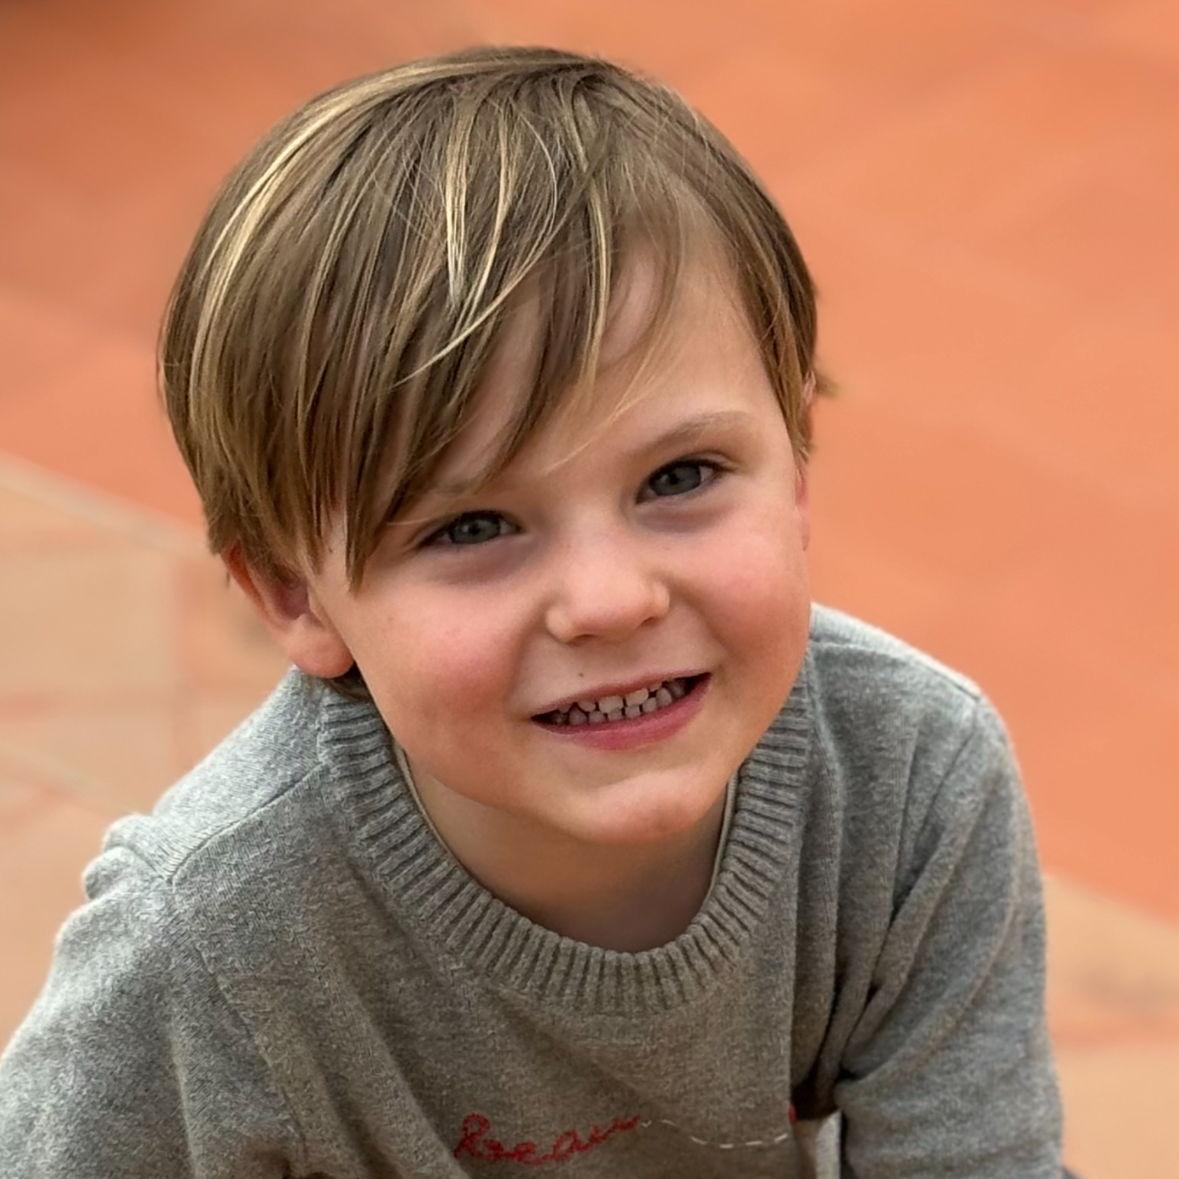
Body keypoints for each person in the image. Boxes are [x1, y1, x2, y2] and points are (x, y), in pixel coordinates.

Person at [0, 46, 1067, 1177]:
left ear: (795, 466)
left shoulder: (912, 778)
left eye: (680, 476)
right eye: (472, 528)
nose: (610, 601)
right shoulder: (209, 943)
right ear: (295, 594)